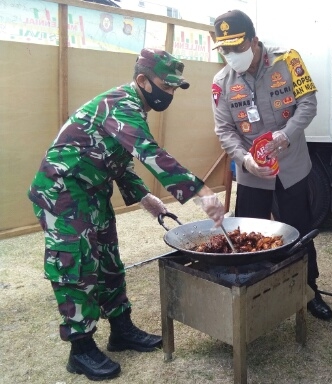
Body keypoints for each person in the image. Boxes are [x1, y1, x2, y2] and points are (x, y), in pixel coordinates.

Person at [28, 48, 225, 381]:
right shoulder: (120, 104)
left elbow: (117, 158)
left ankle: (121, 330)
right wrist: (201, 194)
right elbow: (149, 152)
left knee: (108, 258)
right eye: (167, 84)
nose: (171, 92)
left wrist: (145, 197)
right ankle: (80, 348)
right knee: (75, 266)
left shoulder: (134, 107)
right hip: (62, 193)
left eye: (176, 86)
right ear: (142, 81)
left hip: (92, 192)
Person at [211, 10, 332, 321]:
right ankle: (255, 296)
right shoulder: (221, 81)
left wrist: (286, 134)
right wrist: (245, 161)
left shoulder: (288, 60)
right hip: (253, 174)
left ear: (254, 40)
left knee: (300, 231)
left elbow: (308, 104)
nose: (232, 55)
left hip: (292, 165)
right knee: (250, 236)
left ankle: (309, 291)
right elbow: (224, 130)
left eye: (237, 47)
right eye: (225, 49)